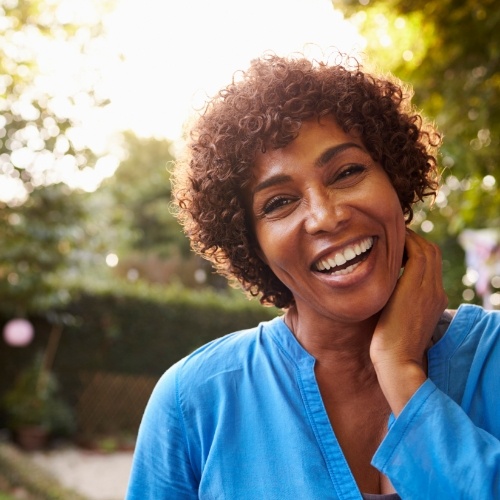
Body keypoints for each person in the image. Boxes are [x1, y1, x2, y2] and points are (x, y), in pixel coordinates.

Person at [126, 52, 500, 499]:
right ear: (252, 245)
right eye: (279, 202)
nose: (326, 216)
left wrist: (401, 373)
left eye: (347, 172)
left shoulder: (492, 357)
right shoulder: (195, 402)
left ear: (396, 181)